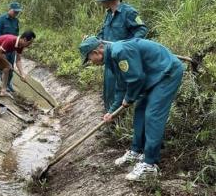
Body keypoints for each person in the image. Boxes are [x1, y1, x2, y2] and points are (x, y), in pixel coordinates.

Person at [79, 36, 184, 181]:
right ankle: (136, 151)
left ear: (97, 52)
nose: (91, 62)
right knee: (140, 112)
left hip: (167, 73)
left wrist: (128, 100)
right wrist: (112, 111)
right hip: (151, 77)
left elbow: (136, 79)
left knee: (153, 115)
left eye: (89, 59)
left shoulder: (119, 51)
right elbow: (121, 87)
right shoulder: (111, 60)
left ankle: (149, 164)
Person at [95, 0, 148, 112]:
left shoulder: (128, 12)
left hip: (122, 58)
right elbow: (103, 32)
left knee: (120, 89)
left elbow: (141, 29)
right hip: (109, 58)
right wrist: (96, 40)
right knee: (108, 90)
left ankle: (119, 116)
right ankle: (110, 115)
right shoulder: (109, 14)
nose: (101, 3)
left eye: (102, 0)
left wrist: (128, 45)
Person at [0, 31, 36, 97]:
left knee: (6, 69)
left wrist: (22, 74)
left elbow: (18, 60)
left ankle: (3, 91)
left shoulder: (21, 45)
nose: (29, 45)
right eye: (29, 43)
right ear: (24, 40)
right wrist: (8, 63)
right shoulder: (10, 40)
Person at [0, 2, 22, 92]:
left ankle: (8, 83)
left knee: (11, 66)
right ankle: (3, 85)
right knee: (4, 66)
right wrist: (0, 49)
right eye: (15, 12)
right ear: (10, 9)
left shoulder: (16, 21)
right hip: (3, 48)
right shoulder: (1, 19)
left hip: (12, 48)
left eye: (18, 12)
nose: (16, 14)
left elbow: (17, 35)